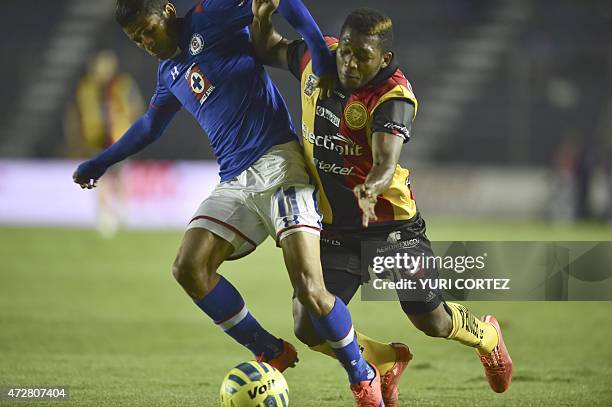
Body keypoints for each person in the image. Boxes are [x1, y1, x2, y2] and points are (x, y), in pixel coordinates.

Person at [72, 0, 386, 405]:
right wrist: (100, 162)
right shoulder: (169, 72)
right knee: (189, 267)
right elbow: (150, 125)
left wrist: (320, 53)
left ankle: (362, 375)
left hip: (280, 166)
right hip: (234, 181)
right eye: (136, 39)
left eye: (148, 30)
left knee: (310, 289)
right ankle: (269, 350)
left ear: (167, 11)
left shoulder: (210, 15)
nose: (146, 42)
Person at [251, 1, 514, 402]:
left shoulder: (394, 96)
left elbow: (386, 159)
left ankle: (489, 337)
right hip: (336, 228)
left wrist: (372, 185)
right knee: (308, 322)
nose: (350, 65)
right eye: (346, 53)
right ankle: (383, 361)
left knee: (433, 321)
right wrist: (263, 16)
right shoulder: (317, 58)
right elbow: (266, 46)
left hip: (393, 229)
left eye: (363, 57)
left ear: (385, 58)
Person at [65, 50, 144, 237]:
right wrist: (77, 136)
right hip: (96, 139)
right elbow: (75, 113)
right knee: (99, 178)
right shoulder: (86, 87)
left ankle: (124, 212)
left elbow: (136, 107)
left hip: (118, 139)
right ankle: (105, 216)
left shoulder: (123, 85)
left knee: (120, 176)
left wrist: (131, 129)